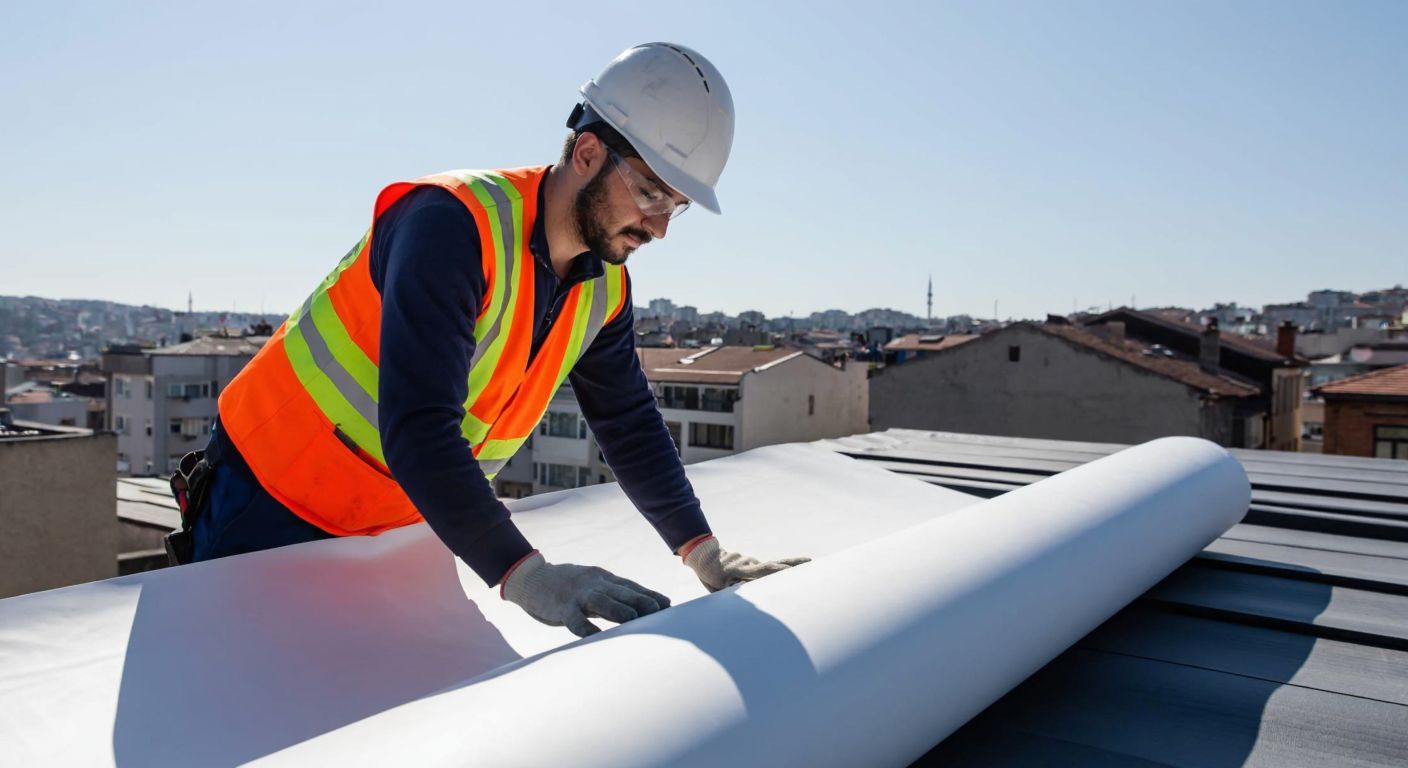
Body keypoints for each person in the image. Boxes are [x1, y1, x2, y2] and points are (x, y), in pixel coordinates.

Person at [185, 43, 808, 637]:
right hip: (269, 502)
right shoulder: (451, 225)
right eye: (650, 194)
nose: (660, 228)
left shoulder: (603, 287)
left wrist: (703, 553)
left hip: (403, 530)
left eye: (676, 206)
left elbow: (629, 424)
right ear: (588, 153)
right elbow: (419, 427)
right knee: (236, 716)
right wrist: (526, 575)